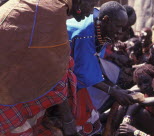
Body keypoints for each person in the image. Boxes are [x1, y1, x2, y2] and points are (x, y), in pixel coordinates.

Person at [0, 0, 98, 135]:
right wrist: (68, 121)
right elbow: (58, 71)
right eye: (91, 5)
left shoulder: (49, 6)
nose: (91, 12)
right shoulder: (53, 12)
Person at [67, 1, 135, 135]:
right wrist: (113, 91)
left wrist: (115, 89)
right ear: (106, 20)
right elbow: (83, 73)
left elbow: (94, 60)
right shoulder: (85, 33)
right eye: (118, 26)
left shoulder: (101, 28)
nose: (120, 31)